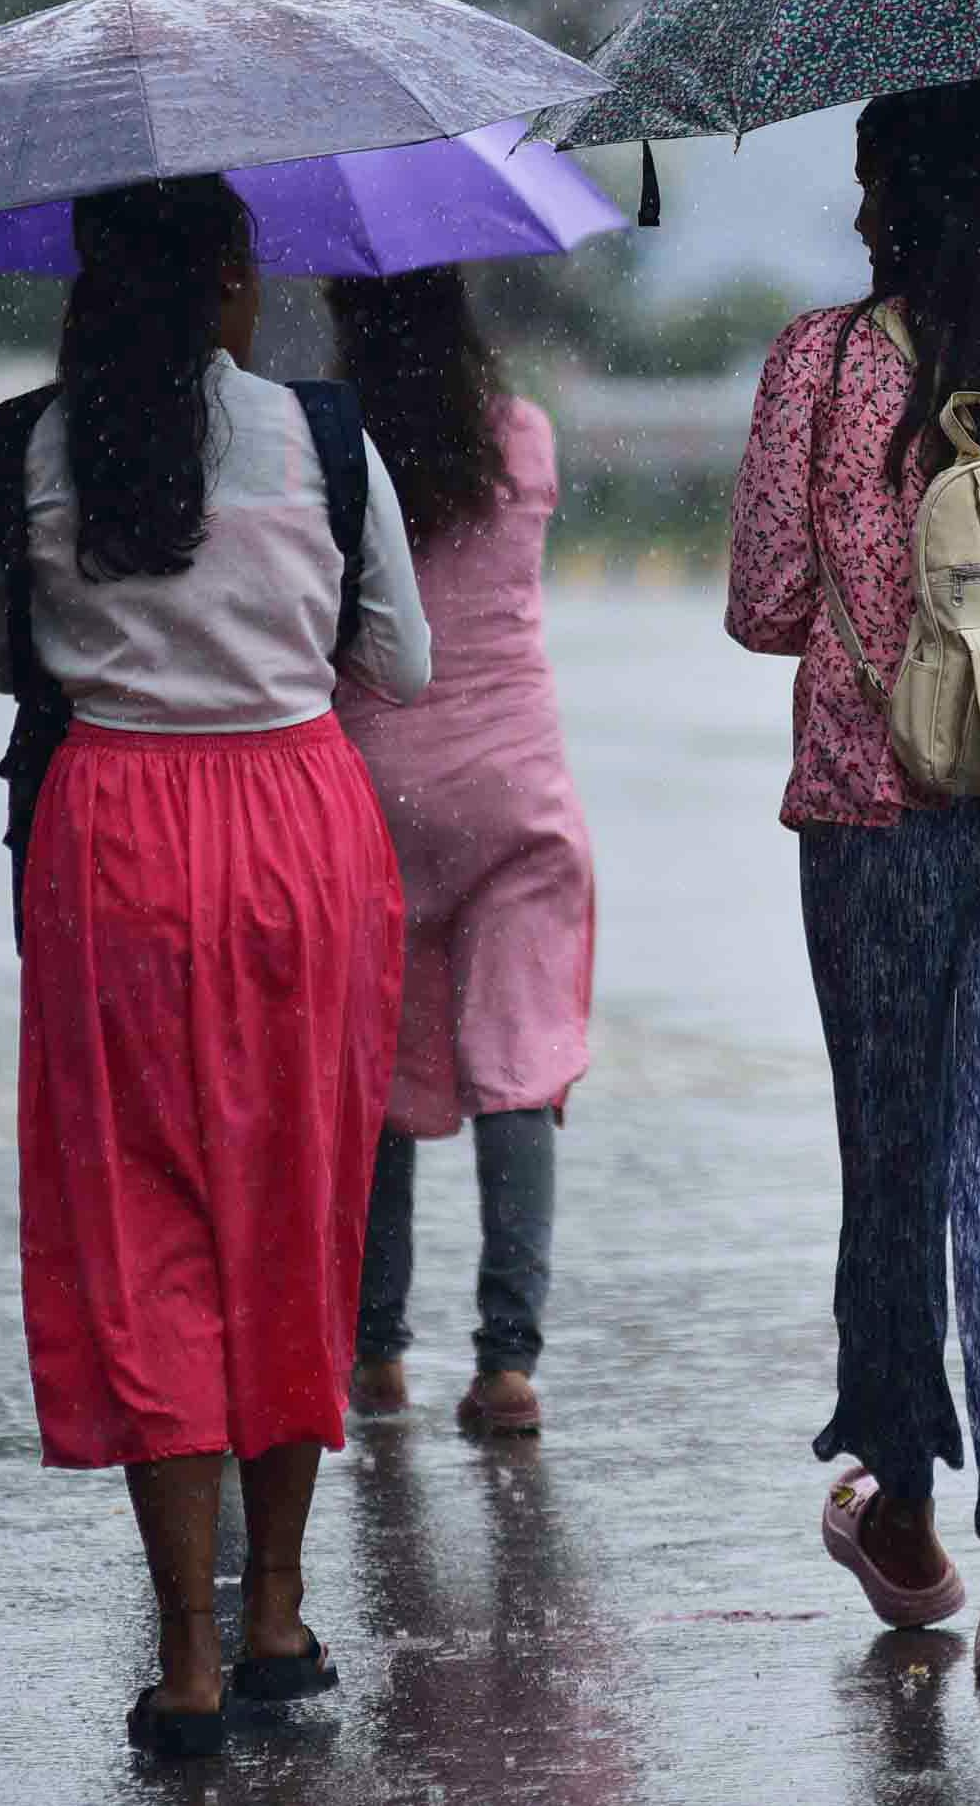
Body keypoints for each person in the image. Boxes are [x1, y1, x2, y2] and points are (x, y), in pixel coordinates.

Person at [0, 175, 431, 1757]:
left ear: (88, 280)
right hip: (300, 831)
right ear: (236, 280)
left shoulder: (24, 443)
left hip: (113, 847)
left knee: (144, 1216)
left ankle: (183, 1653)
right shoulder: (324, 437)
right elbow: (399, 661)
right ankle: (283, 1611)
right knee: (295, 1206)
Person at [726, 78, 980, 1680]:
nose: (851, 208)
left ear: (901, 195)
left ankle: (902, 1504)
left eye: (864, 178)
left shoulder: (823, 363)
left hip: (873, 805)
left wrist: (860, 581)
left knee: (893, 1156)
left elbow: (768, 600)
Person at [326, 266, 594, 1439]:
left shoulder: (333, 451)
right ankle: (507, 1364)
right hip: (515, 787)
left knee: (377, 1066)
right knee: (518, 1064)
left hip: (373, 779)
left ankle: (377, 1353)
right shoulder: (520, 436)